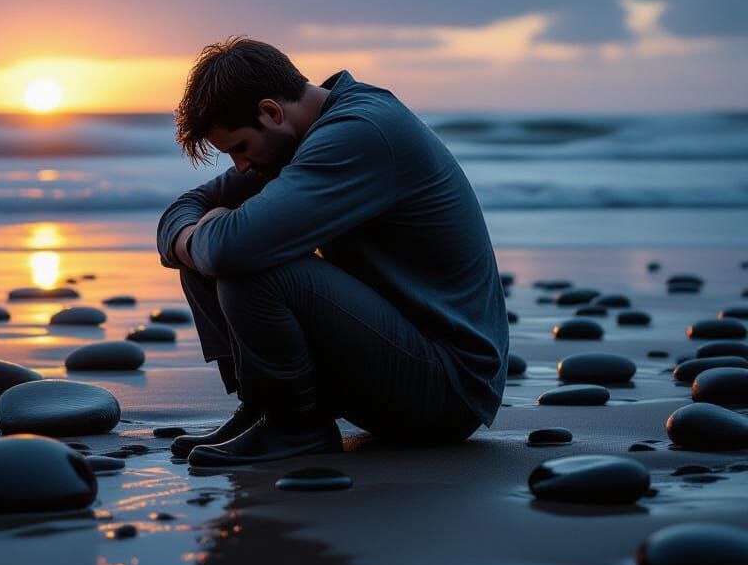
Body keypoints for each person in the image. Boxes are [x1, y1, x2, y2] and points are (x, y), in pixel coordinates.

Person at [156, 37, 508, 467]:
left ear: (271, 112)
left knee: (247, 264)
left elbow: (231, 249)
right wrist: (193, 238)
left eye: (241, 148)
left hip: (449, 391)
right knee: (212, 249)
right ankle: (261, 408)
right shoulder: (302, 136)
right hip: (405, 362)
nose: (241, 167)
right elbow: (187, 207)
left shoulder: (359, 133)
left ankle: (296, 426)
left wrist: (201, 238)